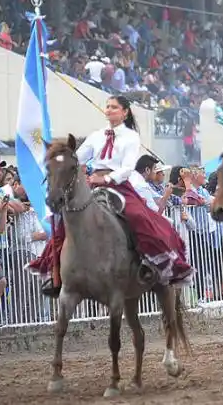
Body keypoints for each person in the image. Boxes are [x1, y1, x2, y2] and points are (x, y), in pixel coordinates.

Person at [29, 95, 193, 298]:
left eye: (114, 107)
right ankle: (56, 270)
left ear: (124, 112)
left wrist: (105, 180)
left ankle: (150, 262)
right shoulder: (96, 136)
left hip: (119, 186)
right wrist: (59, 159)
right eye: (107, 107)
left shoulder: (131, 137)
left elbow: (126, 168)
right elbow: (77, 158)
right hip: (92, 184)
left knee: (139, 216)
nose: (109, 110)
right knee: (65, 217)